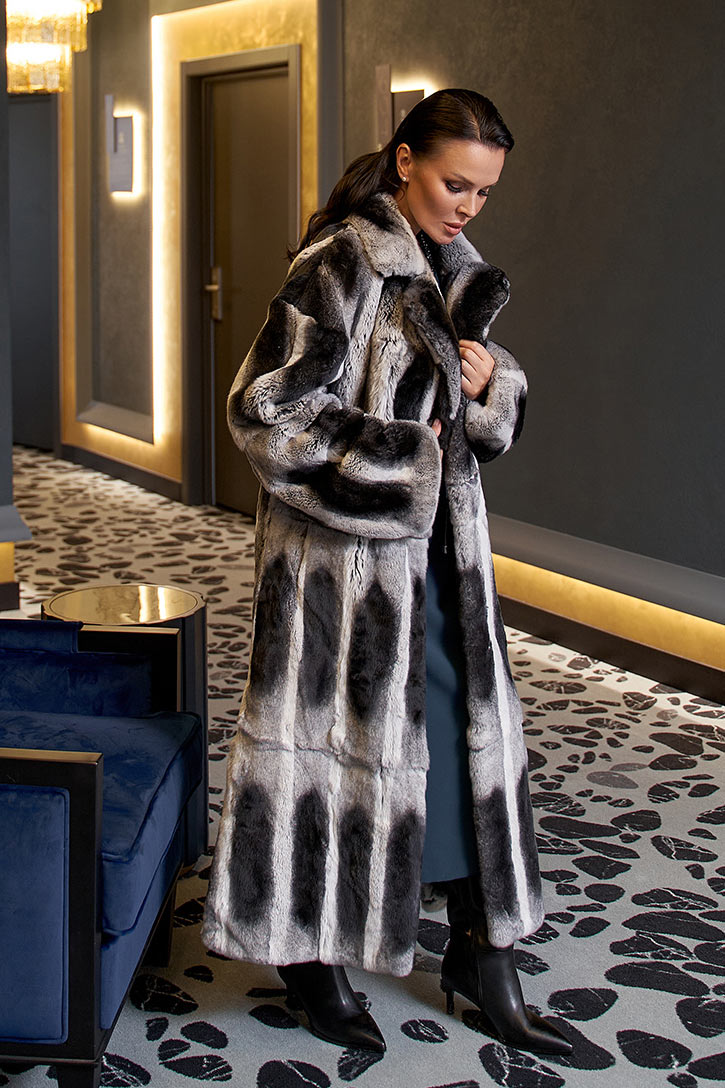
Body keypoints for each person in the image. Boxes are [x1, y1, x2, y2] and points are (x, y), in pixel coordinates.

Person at [202, 88, 572, 1058]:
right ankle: (307, 951)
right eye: (454, 184)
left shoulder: (454, 271)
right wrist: (400, 461)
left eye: (483, 192)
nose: (467, 206)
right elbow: (264, 409)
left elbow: (469, 417)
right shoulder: (340, 261)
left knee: (456, 735)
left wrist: (492, 385)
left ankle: (482, 954)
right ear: (404, 161)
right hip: (342, 574)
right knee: (331, 749)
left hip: (442, 562)